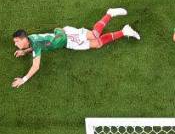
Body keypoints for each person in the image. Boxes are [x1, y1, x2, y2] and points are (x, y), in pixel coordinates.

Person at [11, 8, 139, 88]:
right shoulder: (31, 40)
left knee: (95, 34)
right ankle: (124, 31)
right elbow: (36, 46)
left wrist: (24, 79)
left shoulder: (36, 43)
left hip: (67, 35)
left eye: (17, 42)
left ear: (23, 39)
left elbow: (35, 66)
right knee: (98, 44)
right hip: (68, 42)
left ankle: (109, 13)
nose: (16, 44)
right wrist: (25, 51)